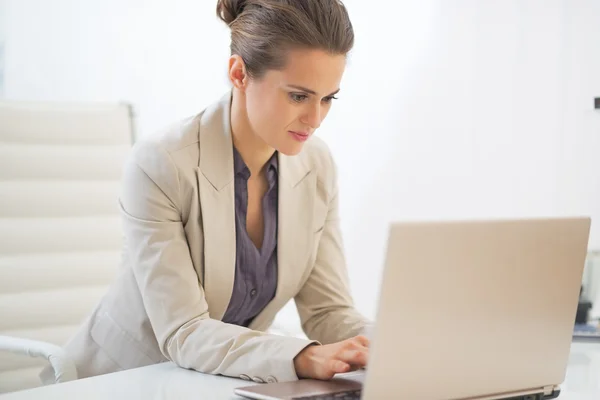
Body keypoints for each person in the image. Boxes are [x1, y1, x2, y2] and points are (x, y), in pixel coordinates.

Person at [41, 0, 371, 385]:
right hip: (121, 380)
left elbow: (328, 312)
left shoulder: (316, 166)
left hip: (219, 383)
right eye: (299, 96)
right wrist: (304, 356)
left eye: (328, 98)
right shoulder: (162, 163)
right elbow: (185, 331)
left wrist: (400, 344)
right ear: (239, 74)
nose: (316, 119)